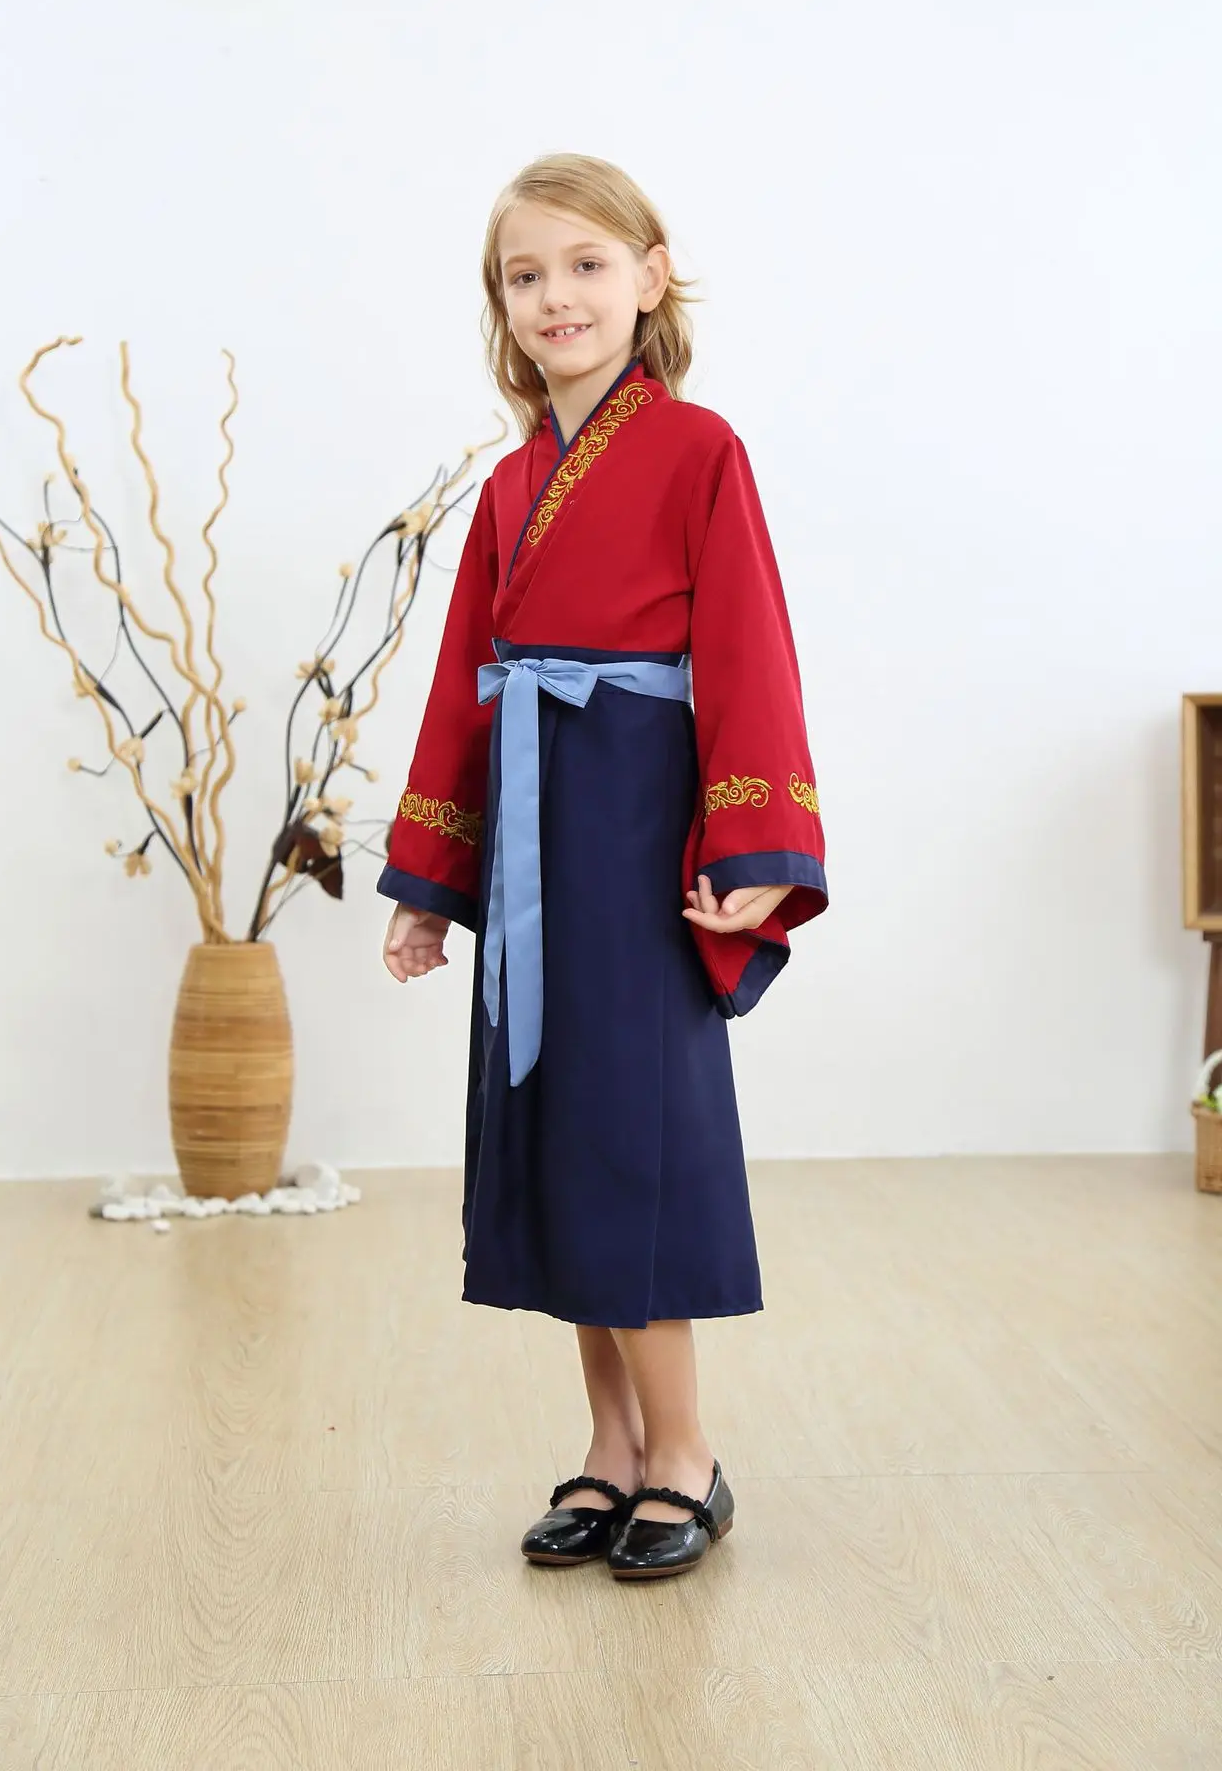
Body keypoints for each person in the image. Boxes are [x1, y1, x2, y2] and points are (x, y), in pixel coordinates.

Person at [379, 153, 827, 1582]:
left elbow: (749, 644)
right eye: (526, 275)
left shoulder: (700, 452)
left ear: (650, 274)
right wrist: (428, 885)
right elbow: (466, 687)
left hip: (640, 831)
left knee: (634, 1126)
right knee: (557, 1120)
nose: (555, 296)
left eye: (585, 264)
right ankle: (612, 1444)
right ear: (501, 305)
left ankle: (687, 1453)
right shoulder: (509, 486)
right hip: (529, 833)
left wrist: (756, 845)